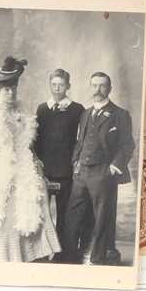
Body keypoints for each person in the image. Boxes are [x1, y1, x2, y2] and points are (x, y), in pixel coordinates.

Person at [0, 56, 60, 262]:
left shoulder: (22, 113)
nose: (11, 93)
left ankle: (29, 257)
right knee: (4, 220)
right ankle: (5, 258)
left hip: (24, 171)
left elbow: (27, 145)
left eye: (14, 88)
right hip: (1, 173)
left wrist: (36, 165)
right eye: (6, 89)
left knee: (34, 207)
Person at [64, 71, 136, 265]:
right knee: (73, 215)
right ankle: (70, 257)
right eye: (94, 85)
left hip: (103, 172)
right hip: (82, 173)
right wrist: (76, 161)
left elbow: (127, 145)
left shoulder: (120, 114)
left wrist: (114, 167)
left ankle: (98, 258)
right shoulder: (86, 113)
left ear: (109, 88)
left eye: (102, 85)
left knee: (102, 218)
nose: (98, 89)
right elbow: (80, 141)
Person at [32, 68, 84, 262]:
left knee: (64, 214)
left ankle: (62, 253)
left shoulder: (77, 109)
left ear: (68, 86)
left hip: (66, 171)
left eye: (61, 85)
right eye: (53, 84)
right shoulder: (42, 109)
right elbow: (36, 140)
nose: (56, 88)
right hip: (44, 171)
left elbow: (81, 140)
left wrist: (75, 163)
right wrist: (37, 165)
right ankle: (40, 251)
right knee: (41, 212)